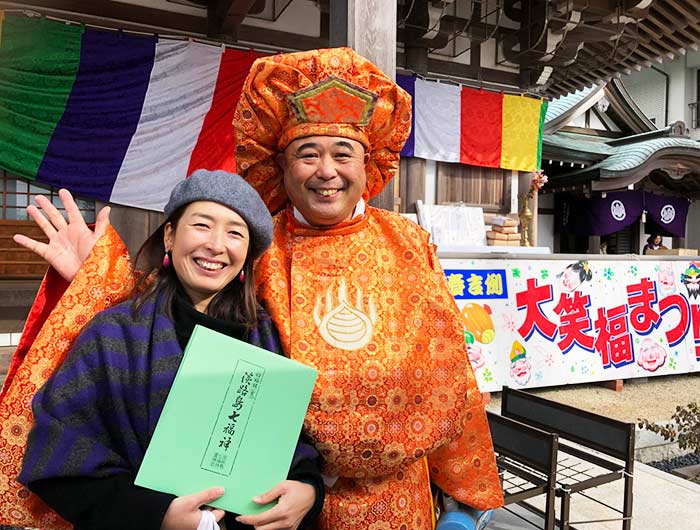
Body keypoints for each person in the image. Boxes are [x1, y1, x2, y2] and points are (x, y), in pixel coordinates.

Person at [5, 47, 503, 530]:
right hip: (281, 495)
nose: (326, 171)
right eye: (308, 153)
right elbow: (183, 311)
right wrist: (96, 274)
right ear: (282, 167)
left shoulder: (409, 241)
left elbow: (448, 363)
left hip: (397, 494)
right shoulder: (262, 248)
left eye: (342, 153)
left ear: (367, 163)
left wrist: (463, 496)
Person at [16, 170, 324, 530]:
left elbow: (294, 442)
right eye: (202, 225)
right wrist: (156, 516)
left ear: (247, 255)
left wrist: (309, 490)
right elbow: (59, 461)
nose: (216, 245)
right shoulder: (114, 333)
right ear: (170, 235)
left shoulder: (269, 335)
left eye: (235, 233)